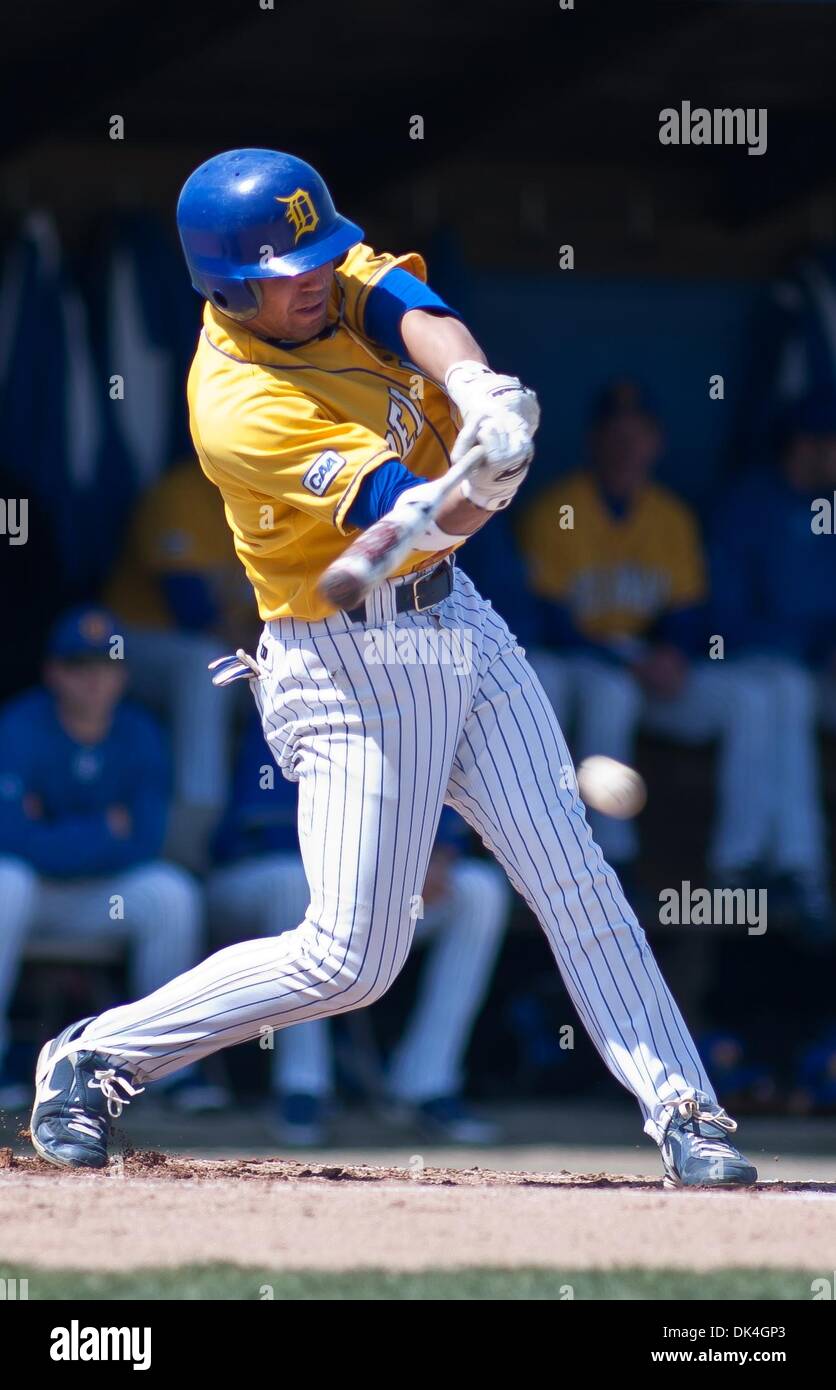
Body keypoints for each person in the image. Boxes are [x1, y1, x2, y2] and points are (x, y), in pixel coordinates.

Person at [30, 148, 756, 1188]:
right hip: (344, 667)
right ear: (230, 286)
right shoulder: (239, 407)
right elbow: (404, 524)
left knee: (568, 868)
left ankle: (688, 1113)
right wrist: (485, 490)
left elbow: (406, 303)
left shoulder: (322, 279)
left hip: (452, 622)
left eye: (318, 252)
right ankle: (98, 1054)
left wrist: (476, 387)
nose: (316, 274)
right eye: (290, 269)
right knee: (350, 960)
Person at [208, 712, 510, 1144]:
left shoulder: (411, 720)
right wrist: (379, 863)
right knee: (293, 883)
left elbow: (441, 822)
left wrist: (435, 854)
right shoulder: (296, 705)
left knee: (479, 890)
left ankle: (426, 1082)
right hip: (253, 882)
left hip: (368, 892)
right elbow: (263, 829)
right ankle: (303, 1085)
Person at [519, 381, 773, 892]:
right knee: (611, 693)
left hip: (645, 668)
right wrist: (630, 661)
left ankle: (739, 862)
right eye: (616, 434)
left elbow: (686, 610)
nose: (627, 446)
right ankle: (614, 856)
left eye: (638, 435)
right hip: (579, 662)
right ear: (594, 439)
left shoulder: (670, 517)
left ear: (656, 442)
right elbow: (550, 621)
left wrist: (675, 655)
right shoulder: (558, 511)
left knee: (750, 700)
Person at [0, 606, 221, 1112]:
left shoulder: (139, 731)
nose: (94, 680)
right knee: (4, 880)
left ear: (122, 674)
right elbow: (11, 837)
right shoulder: (20, 724)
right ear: (54, 672)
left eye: (105, 666)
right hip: (34, 895)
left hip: (103, 893)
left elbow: (144, 839)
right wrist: (103, 829)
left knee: (171, 892)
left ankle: (167, 1067)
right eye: (79, 666)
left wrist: (55, 834)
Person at [710, 389, 836, 934]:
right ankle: (788, 866)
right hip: (748, 664)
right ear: (807, 445)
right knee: (783, 690)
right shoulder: (749, 505)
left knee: (793, 689)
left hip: (813, 668)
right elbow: (726, 618)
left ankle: (789, 865)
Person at [106, 456, 260, 869]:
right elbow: (193, 613)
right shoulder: (181, 495)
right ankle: (196, 816)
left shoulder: (271, 501)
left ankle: (263, 829)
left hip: (228, 647)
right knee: (205, 664)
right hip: (130, 644)